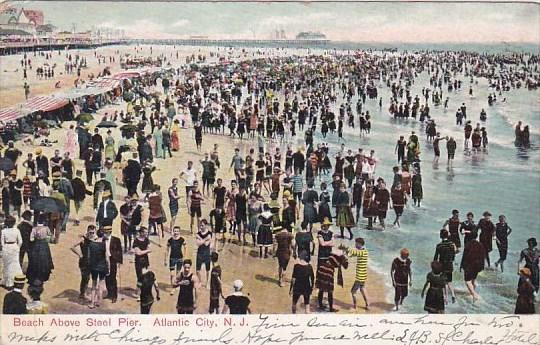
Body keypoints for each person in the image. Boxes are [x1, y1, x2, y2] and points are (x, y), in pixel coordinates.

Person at [26, 214, 54, 285]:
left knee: (35, 259)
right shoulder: (46, 228)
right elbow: (51, 237)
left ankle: (35, 275)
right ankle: (44, 274)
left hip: (36, 245)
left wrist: (36, 238)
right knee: (44, 259)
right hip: (44, 245)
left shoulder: (34, 229)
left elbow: (31, 239)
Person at [343, 238, 370, 311]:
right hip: (364, 275)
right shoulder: (365, 251)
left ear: (359, 244)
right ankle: (367, 305)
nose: (355, 245)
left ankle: (355, 307)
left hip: (359, 277)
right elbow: (354, 253)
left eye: (356, 243)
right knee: (363, 289)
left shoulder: (360, 252)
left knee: (353, 292)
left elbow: (352, 253)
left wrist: (346, 251)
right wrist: (348, 251)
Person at [87, 227, 109, 309]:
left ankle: (92, 302)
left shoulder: (91, 244)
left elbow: (89, 257)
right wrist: (108, 266)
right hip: (102, 266)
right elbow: (107, 257)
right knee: (101, 285)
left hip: (93, 266)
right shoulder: (104, 244)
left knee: (93, 285)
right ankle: (99, 301)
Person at [460, 231, 485, 302]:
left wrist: (462, 266)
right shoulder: (480, 244)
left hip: (469, 265)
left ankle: (474, 295)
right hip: (478, 265)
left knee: (467, 281)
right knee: (473, 279)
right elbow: (483, 256)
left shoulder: (468, 245)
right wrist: (482, 266)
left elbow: (464, 256)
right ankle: (472, 293)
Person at [433, 229, 457, 303]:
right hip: (450, 265)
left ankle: (445, 298)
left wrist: (434, 267)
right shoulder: (452, 244)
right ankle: (453, 295)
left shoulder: (439, 245)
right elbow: (453, 256)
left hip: (442, 265)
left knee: (444, 282)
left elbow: (435, 258)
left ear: (441, 236)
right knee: (449, 281)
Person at [71, 225, 93, 300]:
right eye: (90, 232)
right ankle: (82, 293)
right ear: (87, 231)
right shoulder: (82, 239)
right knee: (85, 277)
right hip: (84, 261)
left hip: (92, 262)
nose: (91, 234)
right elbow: (72, 246)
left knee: (88, 278)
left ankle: (84, 292)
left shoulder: (95, 239)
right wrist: (79, 254)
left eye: (93, 232)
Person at [1, 215, 23, 289]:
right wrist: (17, 248)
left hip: (7, 247)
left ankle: (8, 282)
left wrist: (5, 247)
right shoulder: (17, 230)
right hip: (14, 246)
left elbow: (2, 242)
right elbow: (20, 241)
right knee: (15, 264)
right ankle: (17, 280)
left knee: (7, 265)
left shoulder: (3, 231)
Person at [290, 250, 314, 314]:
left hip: (297, 286)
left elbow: (293, 279)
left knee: (294, 302)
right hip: (306, 286)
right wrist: (311, 288)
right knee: (307, 304)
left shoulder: (296, 266)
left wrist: (291, 289)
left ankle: (293, 314)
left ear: (300, 257)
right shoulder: (309, 267)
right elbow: (312, 279)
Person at [165, 226, 186, 295]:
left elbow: (185, 247)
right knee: (172, 274)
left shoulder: (182, 239)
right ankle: (173, 286)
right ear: (173, 231)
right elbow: (167, 250)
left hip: (180, 258)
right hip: (172, 258)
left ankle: (174, 287)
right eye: (175, 231)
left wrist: (184, 257)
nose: (176, 232)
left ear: (179, 232)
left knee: (177, 274)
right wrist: (165, 259)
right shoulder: (170, 240)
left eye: (177, 231)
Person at [103, 226, 122, 303]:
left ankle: (114, 295)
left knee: (113, 278)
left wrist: (119, 262)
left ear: (110, 232)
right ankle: (109, 293)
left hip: (113, 260)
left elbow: (119, 251)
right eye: (104, 232)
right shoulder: (102, 240)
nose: (105, 233)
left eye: (106, 232)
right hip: (104, 260)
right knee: (106, 277)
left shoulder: (116, 240)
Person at [132, 227, 151, 297]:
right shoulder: (136, 241)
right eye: (145, 232)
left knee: (145, 277)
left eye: (146, 232)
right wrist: (146, 251)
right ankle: (138, 292)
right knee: (140, 277)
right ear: (141, 233)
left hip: (146, 261)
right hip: (138, 262)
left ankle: (141, 292)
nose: (146, 233)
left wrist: (142, 251)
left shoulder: (147, 240)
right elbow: (138, 253)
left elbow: (148, 249)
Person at [196, 220, 213, 287]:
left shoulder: (209, 233)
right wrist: (206, 239)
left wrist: (200, 239)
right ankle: (200, 281)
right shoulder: (199, 233)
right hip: (199, 252)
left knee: (208, 269)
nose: (201, 227)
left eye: (202, 225)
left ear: (206, 225)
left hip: (207, 252)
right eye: (200, 225)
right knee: (197, 270)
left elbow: (207, 244)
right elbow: (198, 243)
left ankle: (207, 282)